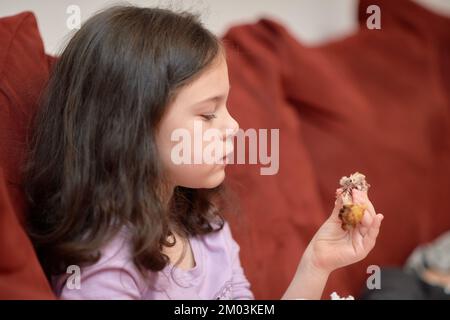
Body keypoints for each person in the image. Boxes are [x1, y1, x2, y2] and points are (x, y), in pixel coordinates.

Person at [24, 5, 383, 300]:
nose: (234, 127)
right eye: (208, 114)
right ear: (132, 129)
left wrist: (317, 263)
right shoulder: (105, 268)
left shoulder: (206, 228)